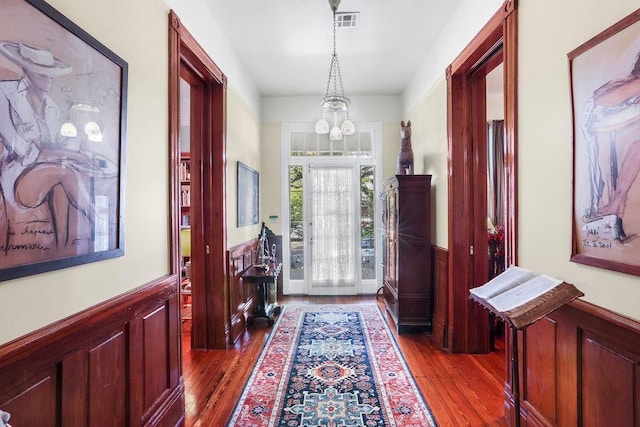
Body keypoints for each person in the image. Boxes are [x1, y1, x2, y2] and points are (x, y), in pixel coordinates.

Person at [0, 41, 99, 259]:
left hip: (50, 172)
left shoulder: (53, 107)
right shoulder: (4, 93)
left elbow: (61, 145)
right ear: (27, 71)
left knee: (65, 176)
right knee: (63, 172)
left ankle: (63, 248)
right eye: (44, 74)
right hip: (17, 175)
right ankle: (97, 218)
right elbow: (24, 149)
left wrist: (77, 138)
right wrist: (71, 155)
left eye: (51, 74)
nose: (50, 79)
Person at [582, 51, 640, 240]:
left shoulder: (631, 81)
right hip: (596, 120)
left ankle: (617, 205)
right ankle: (616, 204)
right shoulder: (634, 83)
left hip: (608, 120)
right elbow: (601, 100)